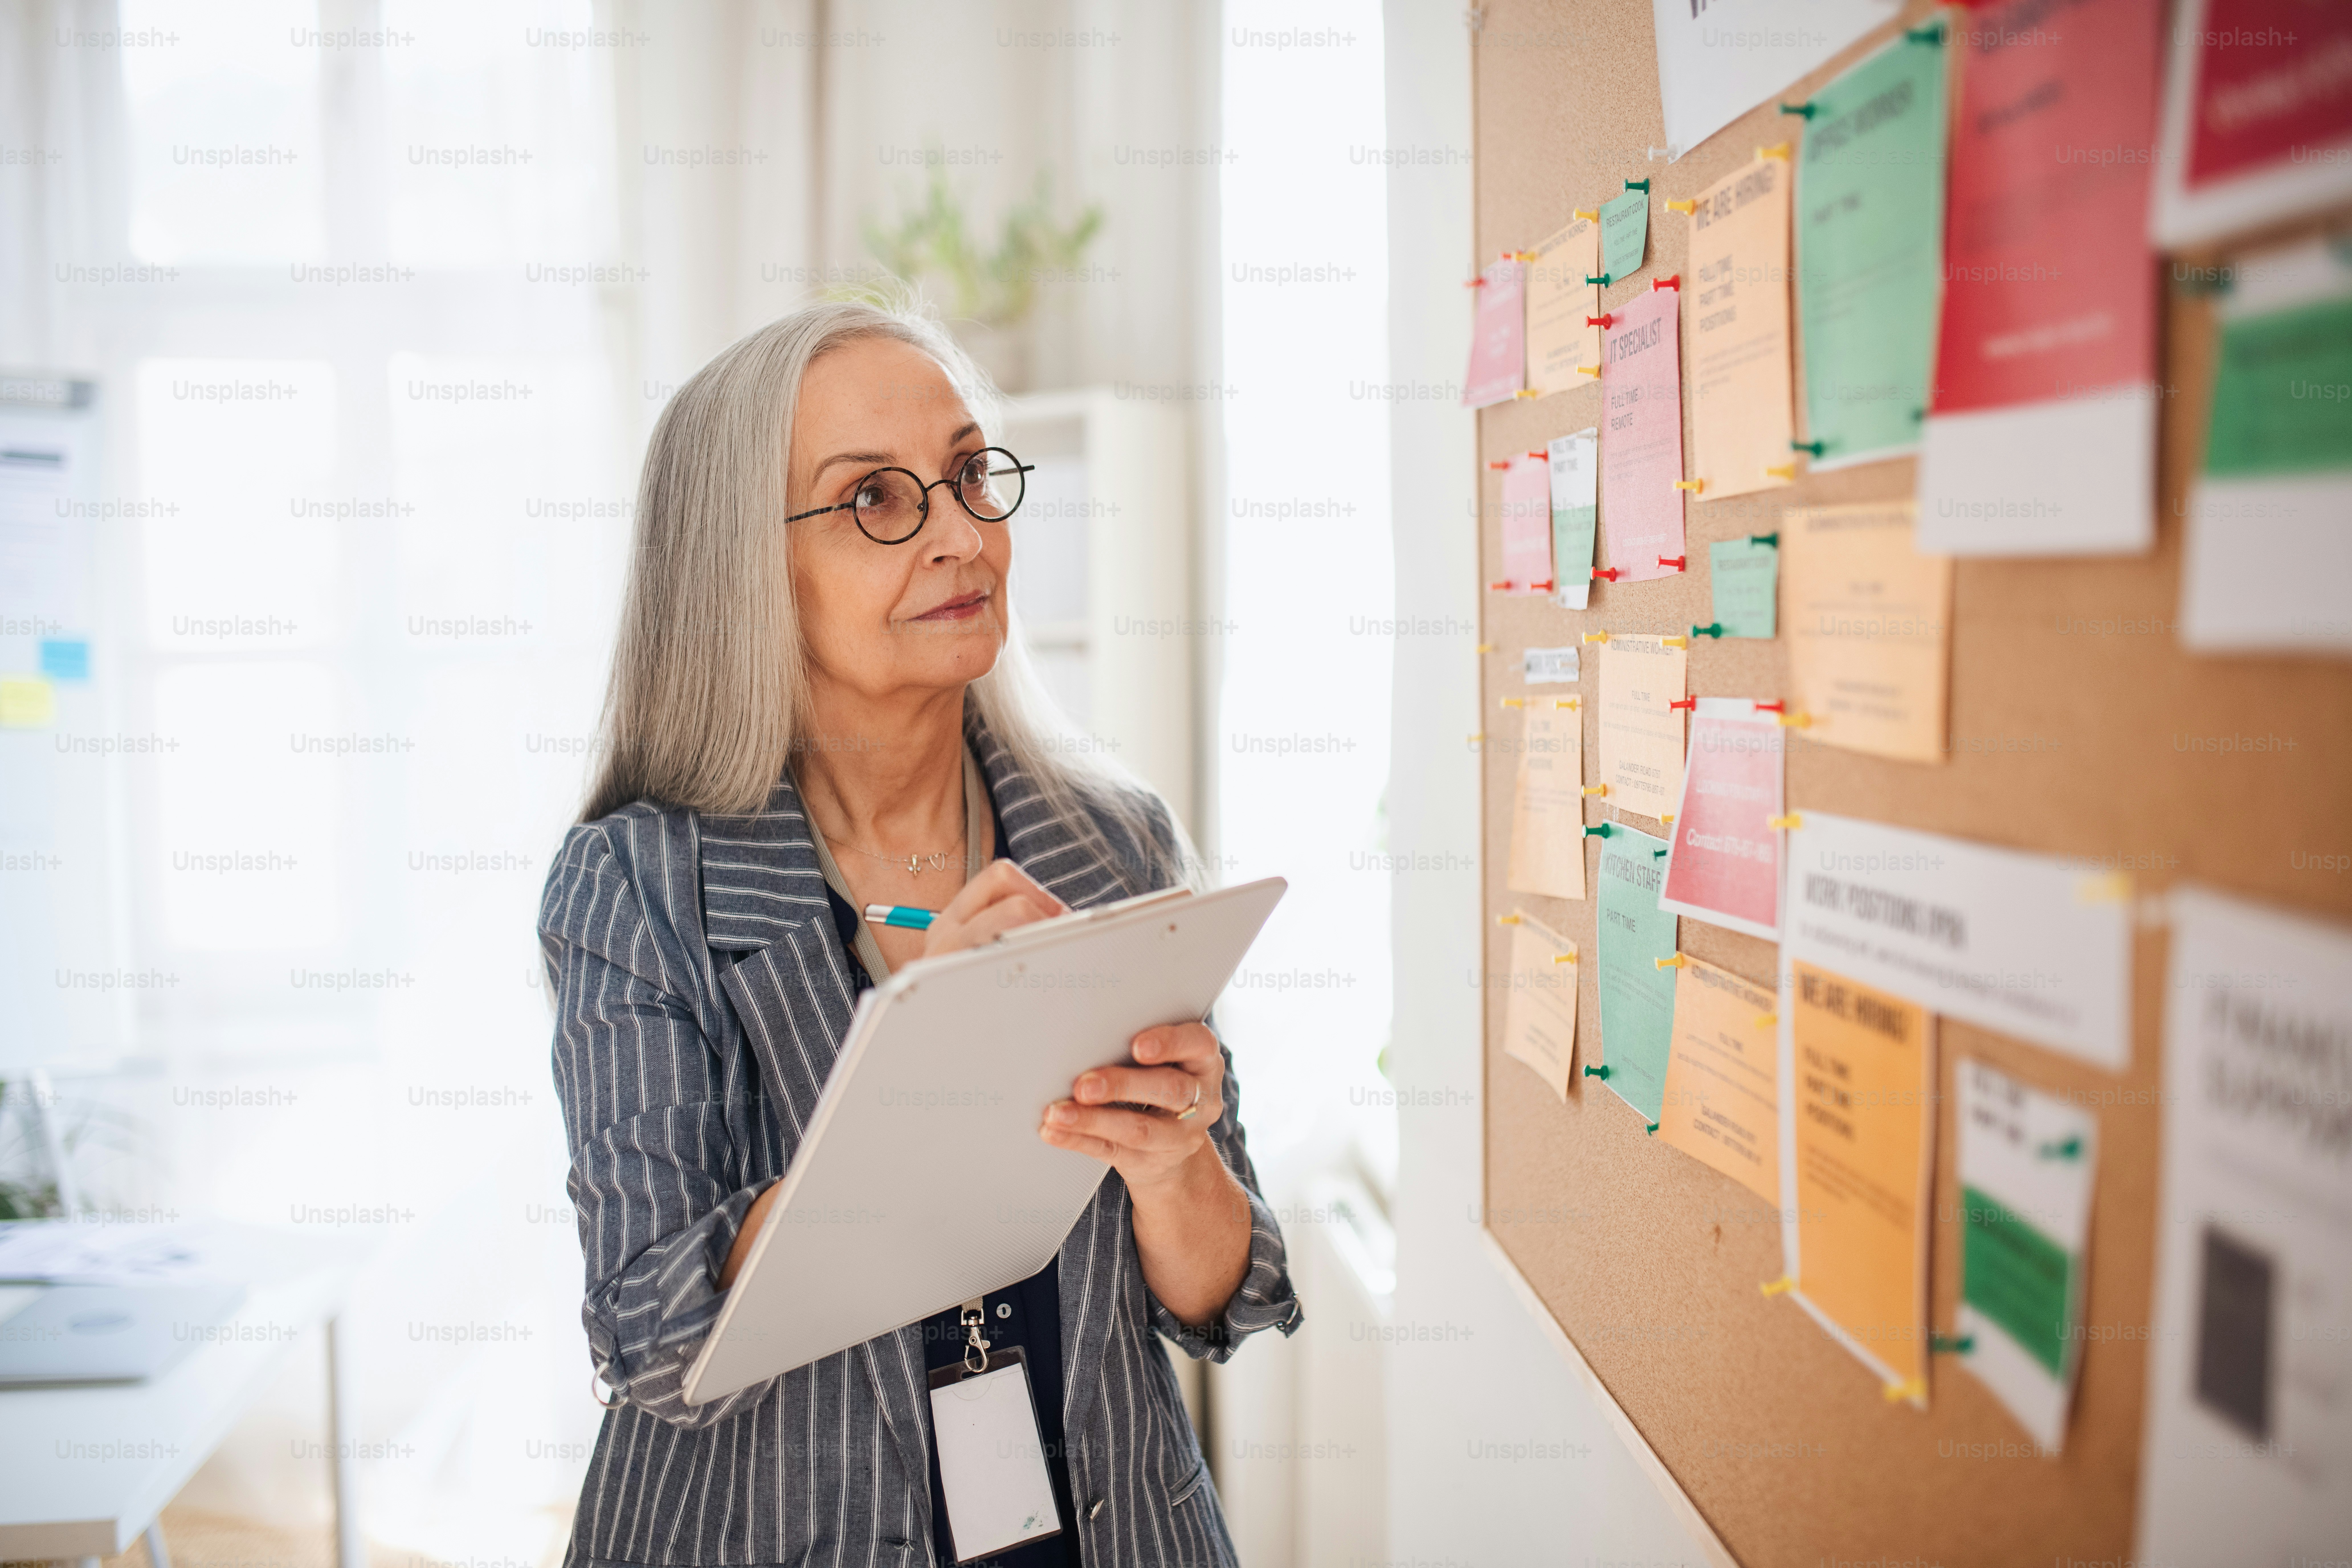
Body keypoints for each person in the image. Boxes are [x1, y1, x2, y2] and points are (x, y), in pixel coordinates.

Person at [539, 298, 1300, 1567]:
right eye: (876, 501)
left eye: (964, 476)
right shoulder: (637, 883)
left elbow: (1228, 1293)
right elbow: (651, 1336)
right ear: (747, 564)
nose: (958, 533)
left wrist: (1175, 1167)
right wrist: (921, 1074)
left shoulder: (1114, 842)